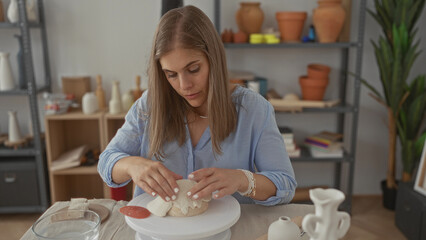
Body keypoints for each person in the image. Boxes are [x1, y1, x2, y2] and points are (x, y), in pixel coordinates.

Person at [98, 5, 296, 206]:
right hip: (158, 234)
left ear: (213, 60)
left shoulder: (254, 110)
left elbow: (285, 185)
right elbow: (106, 163)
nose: (184, 86)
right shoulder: (149, 105)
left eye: (193, 69)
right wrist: (132, 165)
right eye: (171, 74)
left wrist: (242, 180)